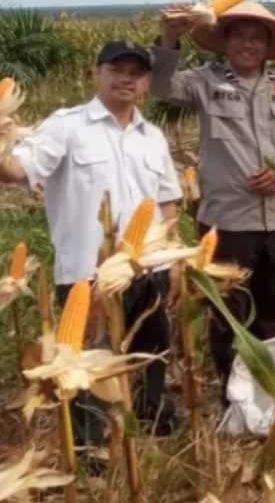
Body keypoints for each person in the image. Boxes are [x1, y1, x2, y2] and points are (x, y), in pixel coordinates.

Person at [0, 41, 183, 441]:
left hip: (148, 269)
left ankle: (153, 423)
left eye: (136, 73)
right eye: (116, 70)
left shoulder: (152, 136)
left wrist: (174, 261)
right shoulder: (66, 126)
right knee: (83, 365)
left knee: (151, 354)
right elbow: (15, 172)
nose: (126, 79)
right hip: (89, 276)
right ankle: (92, 448)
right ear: (96, 73)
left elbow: (167, 202)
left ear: (146, 83)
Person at [152, 1, 275, 385]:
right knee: (229, 313)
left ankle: (266, 386)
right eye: (239, 36)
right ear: (225, 42)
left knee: (270, 308)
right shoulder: (205, 81)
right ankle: (232, 390)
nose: (248, 44)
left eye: (256, 38)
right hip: (228, 222)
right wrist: (169, 38)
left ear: (268, 45)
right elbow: (161, 86)